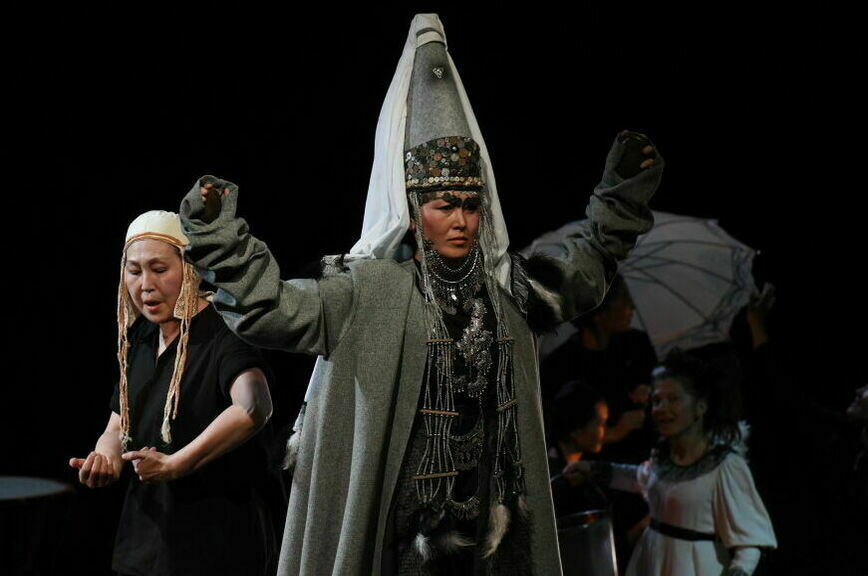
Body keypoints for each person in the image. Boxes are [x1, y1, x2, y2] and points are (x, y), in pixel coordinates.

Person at [179, 14, 662, 576]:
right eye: (444, 205)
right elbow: (273, 310)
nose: (461, 220)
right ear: (413, 213)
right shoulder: (368, 291)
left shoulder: (510, 289)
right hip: (399, 533)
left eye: (471, 205)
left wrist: (620, 197)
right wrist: (219, 238)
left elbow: (584, 269)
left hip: (493, 535)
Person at [69, 210, 281, 576]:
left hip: (218, 544)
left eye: (159, 269)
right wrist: (105, 457)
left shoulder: (224, 331)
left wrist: (176, 463)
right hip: (147, 543)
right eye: (134, 271)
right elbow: (118, 424)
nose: (145, 285)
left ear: (190, 268)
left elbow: (253, 407)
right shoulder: (140, 338)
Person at [567, 348, 776, 575]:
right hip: (652, 561)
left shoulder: (725, 465)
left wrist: (739, 571)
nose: (661, 409)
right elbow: (640, 478)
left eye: (673, 399)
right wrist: (591, 469)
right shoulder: (663, 457)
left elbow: (749, 543)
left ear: (700, 406)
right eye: (657, 400)